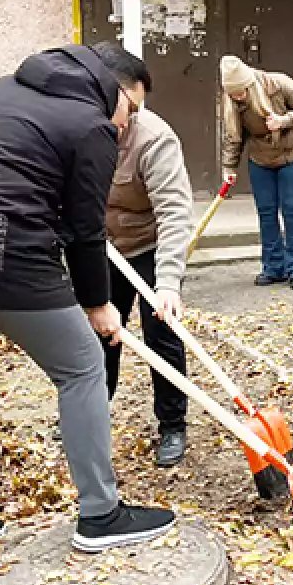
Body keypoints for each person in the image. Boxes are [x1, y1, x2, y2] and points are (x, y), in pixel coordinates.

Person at [0, 42, 175, 569]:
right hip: (5, 258)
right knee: (82, 367)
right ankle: (101, 514)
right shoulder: (90, 125)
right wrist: (98, 304)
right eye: (131, 110)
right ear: (110, 89)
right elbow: (86, 230)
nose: (127, 124)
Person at [98, 103, 195, 467]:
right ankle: (93, 414)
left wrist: (168, 283)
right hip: (105, 248)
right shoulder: (81, 130)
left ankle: (173, 426)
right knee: (101, 334)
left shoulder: (154, 139)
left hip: (151, 247)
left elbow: (173, 213)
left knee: (162, 335)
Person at [219, 55, 293, 291]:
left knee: (292, 210)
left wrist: (284, 121)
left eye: (241, 91)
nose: (238, 97)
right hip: (261, 159)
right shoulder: (232, 103)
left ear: (249, 83)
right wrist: (229, 168)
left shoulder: (279, 83)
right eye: (233, 93)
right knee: (266, 212)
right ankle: (273, 268)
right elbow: (233, 138)